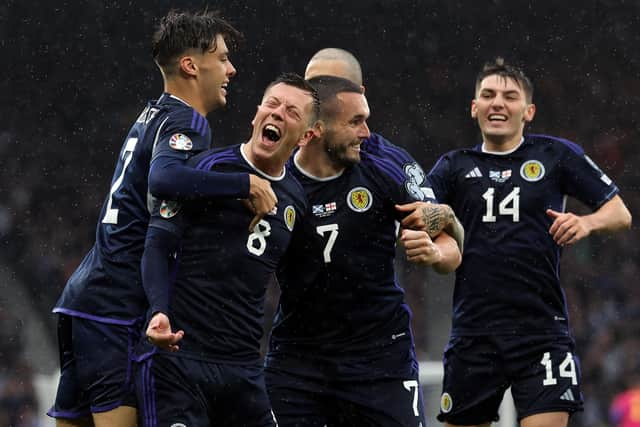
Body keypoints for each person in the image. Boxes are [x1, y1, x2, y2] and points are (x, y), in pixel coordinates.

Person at [48, 10, 277, 427]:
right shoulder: (185, 120)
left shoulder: (152, 114)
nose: (232, 68)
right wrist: (244, 184)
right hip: (114, 308)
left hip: (85, 300)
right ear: (191, 66)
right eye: (222, 58)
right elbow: (166, 176)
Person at [427, 57, 632, 427]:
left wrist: (586, 223)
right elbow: (418, 216)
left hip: (541, 332)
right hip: (474, 334)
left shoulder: (556, 155)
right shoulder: (452, 166)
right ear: (475, 108)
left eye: (510, 96)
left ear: (529, 110)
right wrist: (432, 240)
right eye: (488, 95)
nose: (498, 103)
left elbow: (620, 213)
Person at [263, 75, 462, 426]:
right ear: (317, 129)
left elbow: (449, 243)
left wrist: (435, 253)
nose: (367, 133)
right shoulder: (271, 182)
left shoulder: (382, 166)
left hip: (380, 357)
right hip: (299, 361)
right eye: (355, 122)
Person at [136, 73, 319, 427]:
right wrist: (158, 310)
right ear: (256, 115)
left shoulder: (297, 201)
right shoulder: (206, 168)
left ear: (306, 137)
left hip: (244, 370)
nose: (278, 114)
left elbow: (301, 282)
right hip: (180, 359)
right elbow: (157, 244)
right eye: (272, 104)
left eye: (292, 112)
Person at [304, 48, 464, 244]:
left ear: (360, 94)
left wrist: (442, 235)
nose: (322, 95)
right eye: (313, 87)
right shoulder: (278, 152)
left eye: (336, 86)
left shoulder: (388, 162)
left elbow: (446, 238)